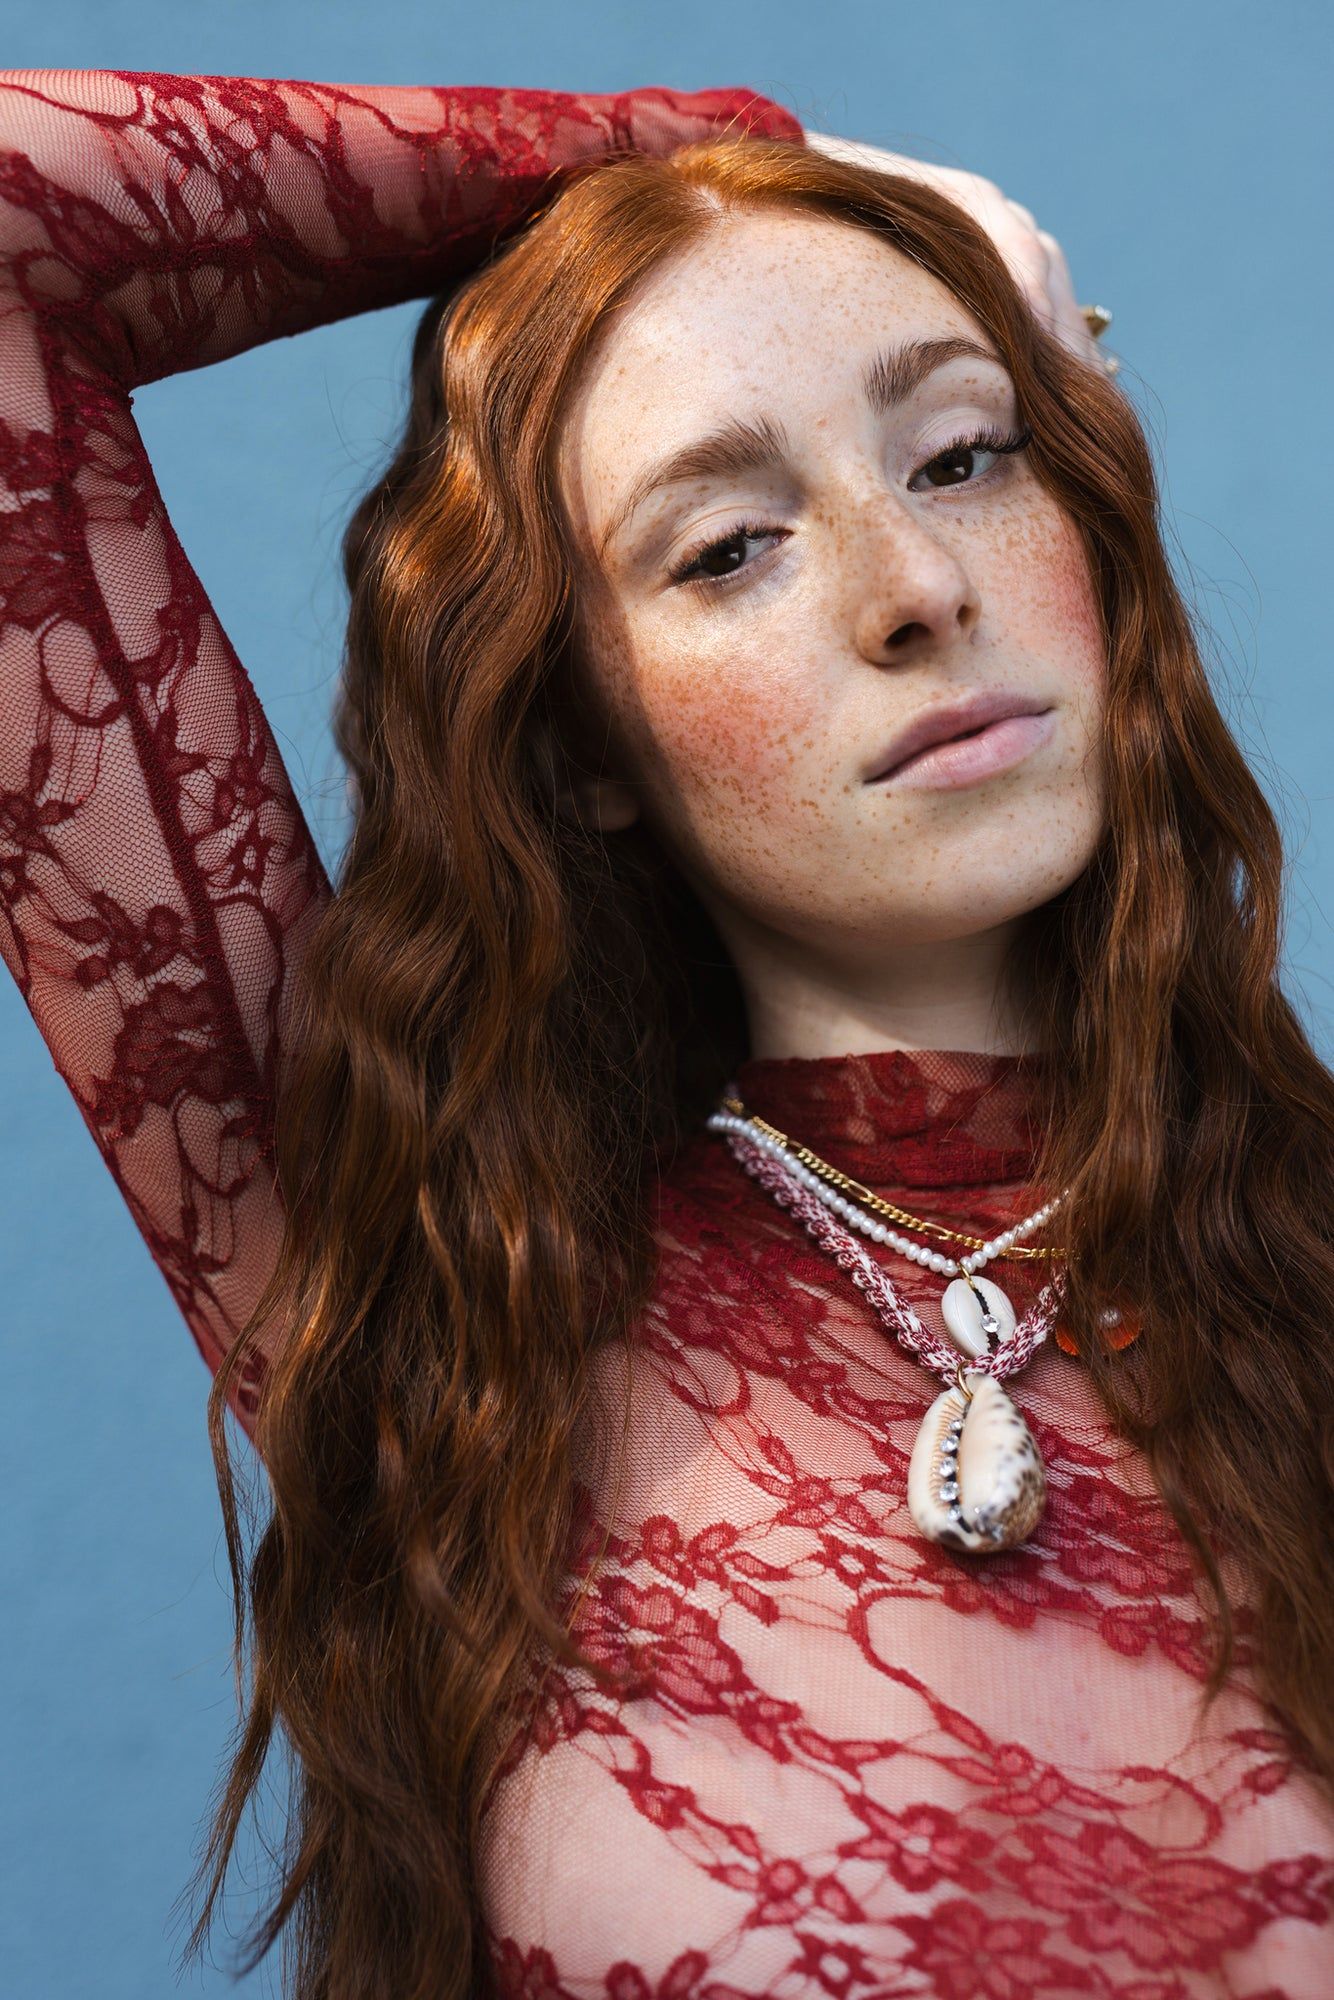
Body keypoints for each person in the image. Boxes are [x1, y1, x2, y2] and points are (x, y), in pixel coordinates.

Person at [1, 66, 1330, 2000]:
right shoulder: (446, 1300)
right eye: (726, 547)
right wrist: (718, 135)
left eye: (961, 452)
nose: (916, 590)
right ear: (581, 745)